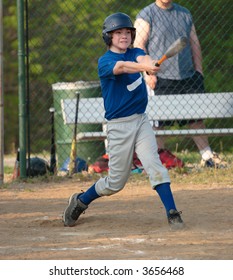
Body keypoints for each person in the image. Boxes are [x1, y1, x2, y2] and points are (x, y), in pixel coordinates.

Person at [63, 12, 184, 229]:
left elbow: (143, 59)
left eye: (127, 32)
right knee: (115, 183)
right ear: (108, 37)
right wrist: (143, 68)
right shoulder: (106, 61)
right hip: (119, 127)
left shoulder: (136, 53)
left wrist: (149, 64)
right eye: (118, 32)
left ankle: (172, 212)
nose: (124, 36)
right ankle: (81, 200)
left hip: (140, 121)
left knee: (154, 166)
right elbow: (122, 68)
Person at [134, 0, 225, 168]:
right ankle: (159, 159)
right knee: (158, 123)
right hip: (159, 78)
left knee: (196, 119)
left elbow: (194, 42)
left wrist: (199, 71)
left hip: (188, 76)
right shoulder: (146, 15)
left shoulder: (184, 14)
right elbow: (138, 46)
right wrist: (147, 72)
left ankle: (207, 157)